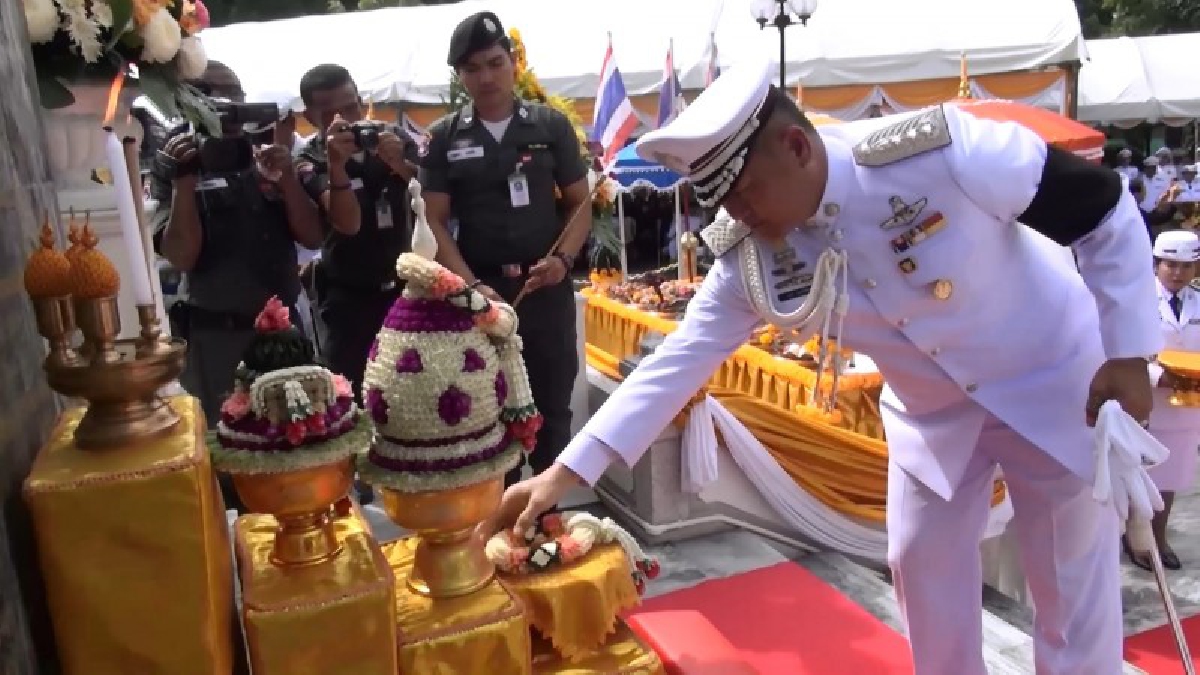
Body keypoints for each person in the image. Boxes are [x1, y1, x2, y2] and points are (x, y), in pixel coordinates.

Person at [484, 55, 1161, 674]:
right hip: (935, 416)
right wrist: (563, 472)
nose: (740, 215)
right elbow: (684, 356)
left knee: (1069, 588)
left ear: (798, 146)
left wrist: (1130, 353)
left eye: (745, 192)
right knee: (920, 569)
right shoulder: (753, 251)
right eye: (725, 203)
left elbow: (1100, 206)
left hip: (1051, 381)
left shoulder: (939, 154)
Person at [419, 11, 592, 485]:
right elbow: (432, 219)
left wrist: (563, 260)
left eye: (495, 63)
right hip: (482, 295)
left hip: (545, 288)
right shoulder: (443, 138)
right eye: (472, 69)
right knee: (490, 412)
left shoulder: (549, 126)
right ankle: (499, 522)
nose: (486, 77)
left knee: (553, 405)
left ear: (514, 63)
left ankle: (544, 522)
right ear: (459, 76)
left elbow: (580, 204)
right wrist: (470, 287)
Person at [151, 61, 323, 428]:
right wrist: (185, 182)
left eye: (233, 96)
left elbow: (312, 236)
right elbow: (181, 255)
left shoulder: (266, 151)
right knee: (229, 446)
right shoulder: (174, 159)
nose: (224, 104)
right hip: (217, 339)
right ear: (187, 103)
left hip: (284, 335)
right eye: (209, 95)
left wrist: (288, 181)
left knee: (300, 438)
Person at [295, 64, 419, 397]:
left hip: (404, 290)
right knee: (351, 397)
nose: (344, 120)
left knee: (411, 391)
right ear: (309, 116)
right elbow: (347, 222)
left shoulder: (390, 136)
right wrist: (337, 165)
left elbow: (433, 195)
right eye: (330, 113)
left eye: (350, 107)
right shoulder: (310, 158)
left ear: (362, 102)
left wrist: (399, 164)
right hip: (348, 300)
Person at [1129, 230, 1200, 571]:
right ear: (1156, 264)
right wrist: (1160, 376)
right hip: (1145, 398)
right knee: (1138, 473)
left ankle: (1158, 538)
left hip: (1187, 405)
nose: (1177, 273)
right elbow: (1125, 347)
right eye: (1170, 264)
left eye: (1186, 266)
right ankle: (1136, 540)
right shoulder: (1136, 299)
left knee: (1172, 475)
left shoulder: (1199, 300)